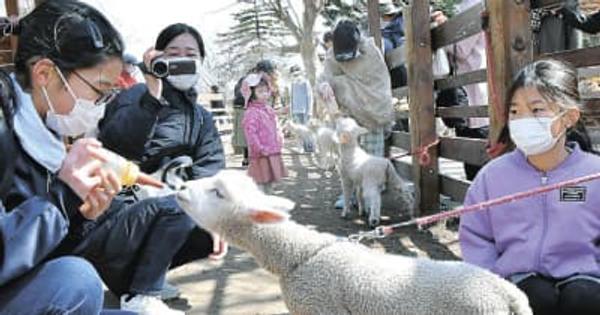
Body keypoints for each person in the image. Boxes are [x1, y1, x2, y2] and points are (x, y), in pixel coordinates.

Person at [0, 1, 134, 314]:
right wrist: (61, 198)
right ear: (45, 73)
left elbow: (35, 261)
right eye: (99, 91)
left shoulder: (40, 133)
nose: (100, 106)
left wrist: (79, 217)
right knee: (75, 281)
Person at [97, 23, 226, 314]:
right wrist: (152, 97)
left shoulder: (202, 117)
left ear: (201, 62)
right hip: (120, 209)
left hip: (166, 206)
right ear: (157, 57)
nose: (182, 60)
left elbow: (211, 169)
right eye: (172, 53)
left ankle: (144, 277)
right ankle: (142, 293)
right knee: (181, 206)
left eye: (189, 54)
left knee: (213, 219)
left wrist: (216, 216)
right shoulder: (136, 95)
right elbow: (114, 144)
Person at [459, 59, 600, 315]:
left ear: (569, 117)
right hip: (516, 279)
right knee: (534, 298)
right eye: (515, 111)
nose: (522, 119)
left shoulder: (594, 174)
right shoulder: (493, 177)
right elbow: (475, 235)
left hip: (586, 279)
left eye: (536, 110)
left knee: (585, 298)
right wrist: (492, 281)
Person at [319, 19, 395, 208]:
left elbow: (379, 83)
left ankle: (371, 197)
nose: (346, 59)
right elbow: (324, 78)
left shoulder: (371, 52)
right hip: (348, 116)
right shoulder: (331, 57)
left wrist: (344, 84)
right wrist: (325, 86)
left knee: (370, 159)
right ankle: (350, 195)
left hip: (373, 116)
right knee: (347, 157)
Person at [241, 73, 287, 193]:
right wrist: (259, 148)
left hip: (272, 150)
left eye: (266, 91)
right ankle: (260, 205)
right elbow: (251, 133)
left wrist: (279, 139)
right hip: (261, 154)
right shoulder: (251, 112)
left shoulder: (267, 109)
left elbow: (275, 122)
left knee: (269, 181)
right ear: (251, 94)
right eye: (260, 91)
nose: (265, 94)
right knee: (260, 182)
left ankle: (268, 201)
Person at [289, 65, 314, 152]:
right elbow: (291, 98)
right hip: (296, 110)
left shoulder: (305, 82)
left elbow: (309, 97)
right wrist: (291, 110)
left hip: (304, 110)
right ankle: (300, 147)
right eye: (293, 74)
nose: (295, 76)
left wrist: (309, 110)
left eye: (297, 74)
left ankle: (310, 147)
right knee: (298, 130)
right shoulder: (292, 84)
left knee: (306, 129)